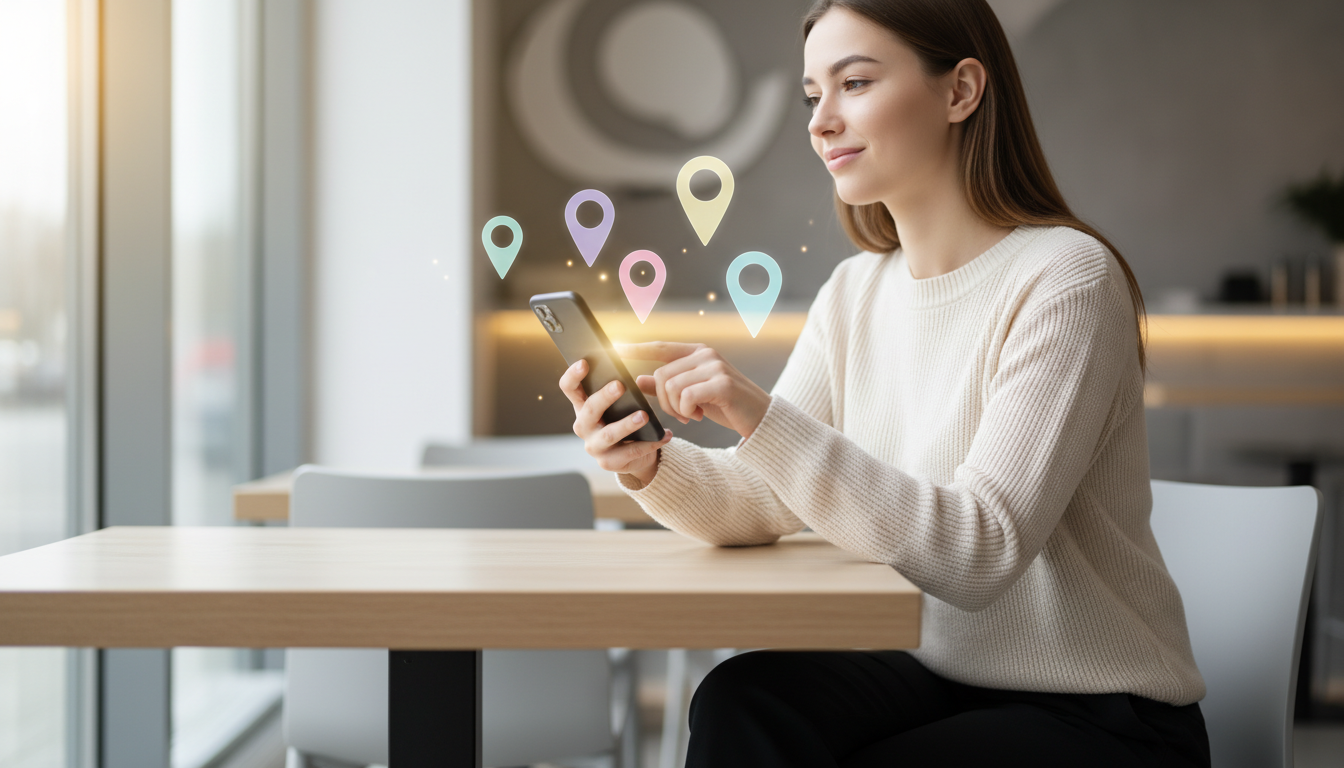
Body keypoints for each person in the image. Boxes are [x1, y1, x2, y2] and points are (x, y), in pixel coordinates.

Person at [558, 0, 1209, 765]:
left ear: (961, 91)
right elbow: (762, 499)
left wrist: (761, 416)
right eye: (812, 96)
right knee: (742, 699)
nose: (820, 121)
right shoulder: (855, 291)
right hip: (938, 674)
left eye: (854, 83)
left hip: (1101, 711)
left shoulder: (1065, 279)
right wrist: (651, 460)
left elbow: (982, 550)